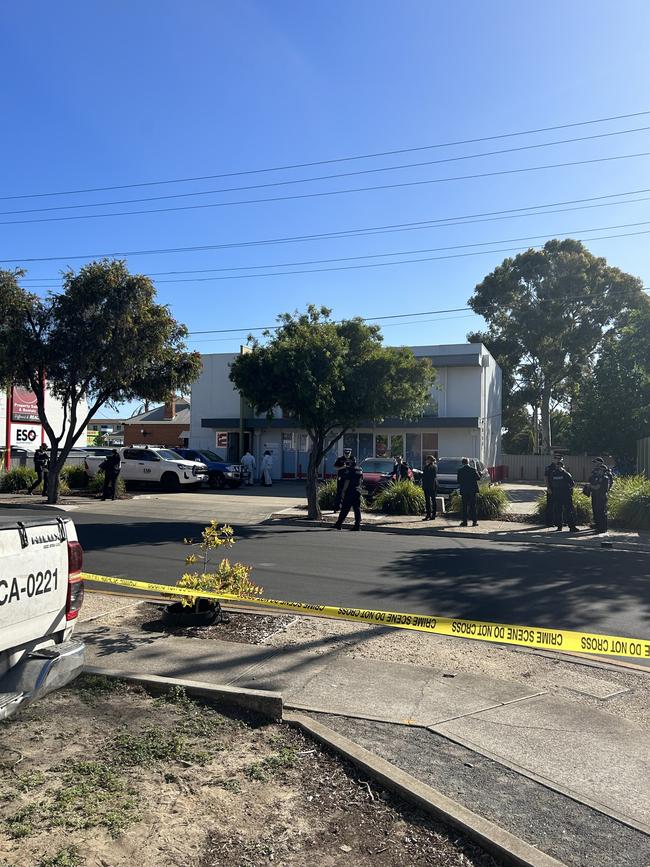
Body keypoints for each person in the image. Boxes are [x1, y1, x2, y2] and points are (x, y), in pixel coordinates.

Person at [548, 457, 578, 532]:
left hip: (565, 495)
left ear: (562, 466)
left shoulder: (566, 474)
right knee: (558, 511)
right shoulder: (553, 474)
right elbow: (551, 483)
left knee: (568, 511)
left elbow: (572, 484)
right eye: (557, 465)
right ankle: (559, 526)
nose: (558, 467)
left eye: (560, 465)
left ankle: (571, 527)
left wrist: (567, 490)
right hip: (558, 495)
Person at [333, 457, 363, 531]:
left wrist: (343, 491)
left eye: (349, 461)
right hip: (358, 491)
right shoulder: (360, 469)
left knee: (345, 508)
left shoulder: (350, 469)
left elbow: (347, 481)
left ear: (351, 462)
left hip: (350, 491)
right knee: (357, 509)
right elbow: (362, 480)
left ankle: (338, 524)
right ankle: (357, 525)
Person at [586, 457, 614, 534]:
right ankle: (597, 525)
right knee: (595, 510)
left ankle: (602, 527)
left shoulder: (606, 473)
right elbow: (591, 479)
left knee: (601, 511)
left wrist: (606, 490)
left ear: (600, 463)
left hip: (601, 494)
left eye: (596, 462)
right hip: (595, 494)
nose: (595, 464)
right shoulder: (595, 472)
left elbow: (609, 482)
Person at [457, 457, 480, 527]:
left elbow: (458, 481)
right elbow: (478, 478)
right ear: (468, 462)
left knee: (464, 506)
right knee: (473, 506)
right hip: (472, 490)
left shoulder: (460, 470)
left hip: (464, 490)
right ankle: (474, 521)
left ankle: (464, 521)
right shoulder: (473, 470)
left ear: (462, 463)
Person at [422, 455, 437, 521]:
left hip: (430, 485)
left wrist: (422, 474)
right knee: (429, 500)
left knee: (431, 500)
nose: (426, 461)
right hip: (429, 485)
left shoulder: (433, 467)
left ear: (429, 460)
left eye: (427, 459)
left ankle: (431, 514)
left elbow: (432, 476)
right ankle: (430, 514)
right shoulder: (429, 467)